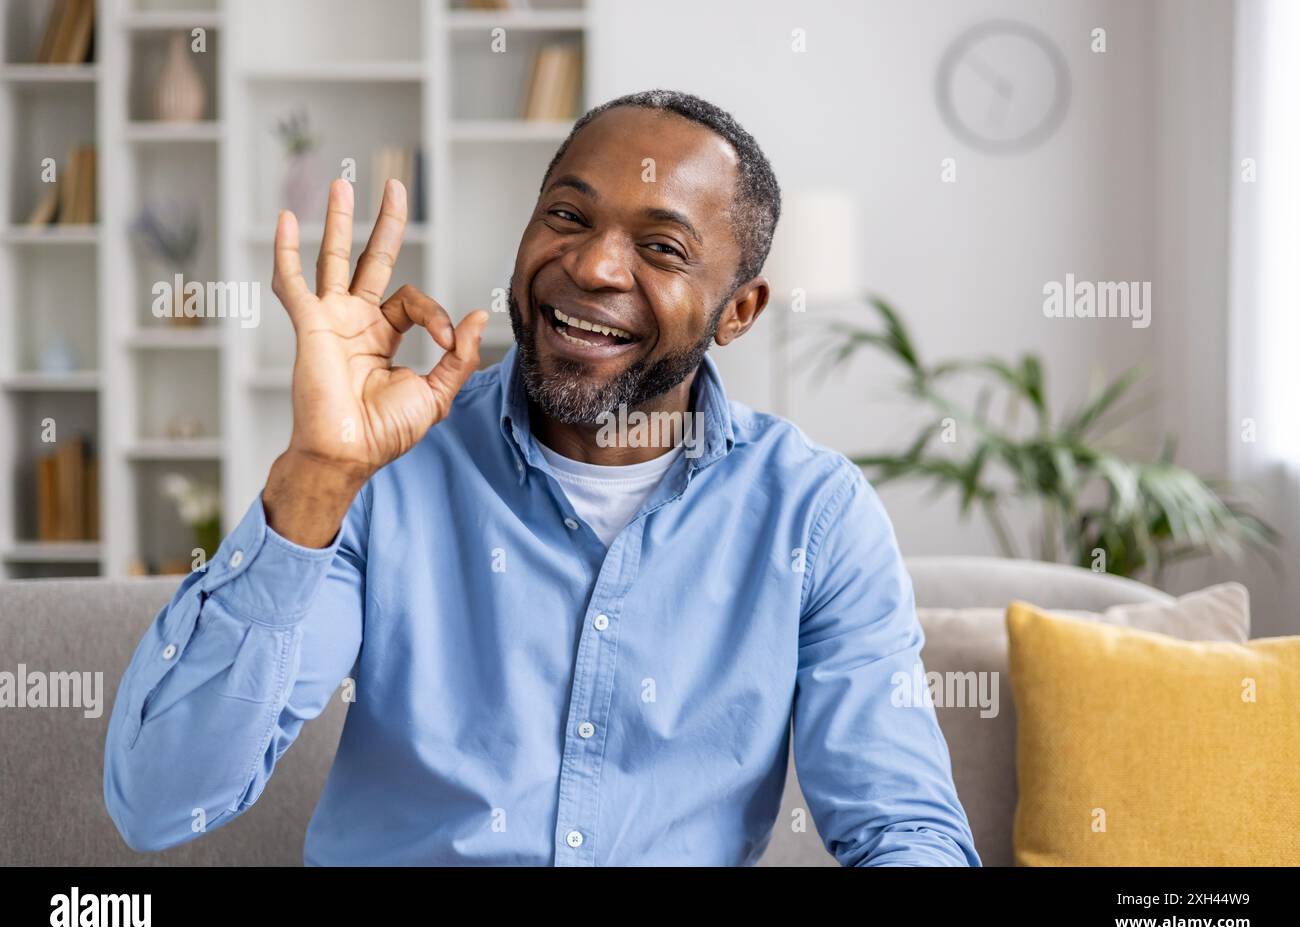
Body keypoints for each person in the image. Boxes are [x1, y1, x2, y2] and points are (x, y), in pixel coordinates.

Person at [103, 89, 980, 866]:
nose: (594, 266)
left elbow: (901, 828)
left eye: (663, 247)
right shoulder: (390, 473)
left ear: (739, 310)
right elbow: (159, 802)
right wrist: (316, 479)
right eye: (567, 215)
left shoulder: (814, 516)